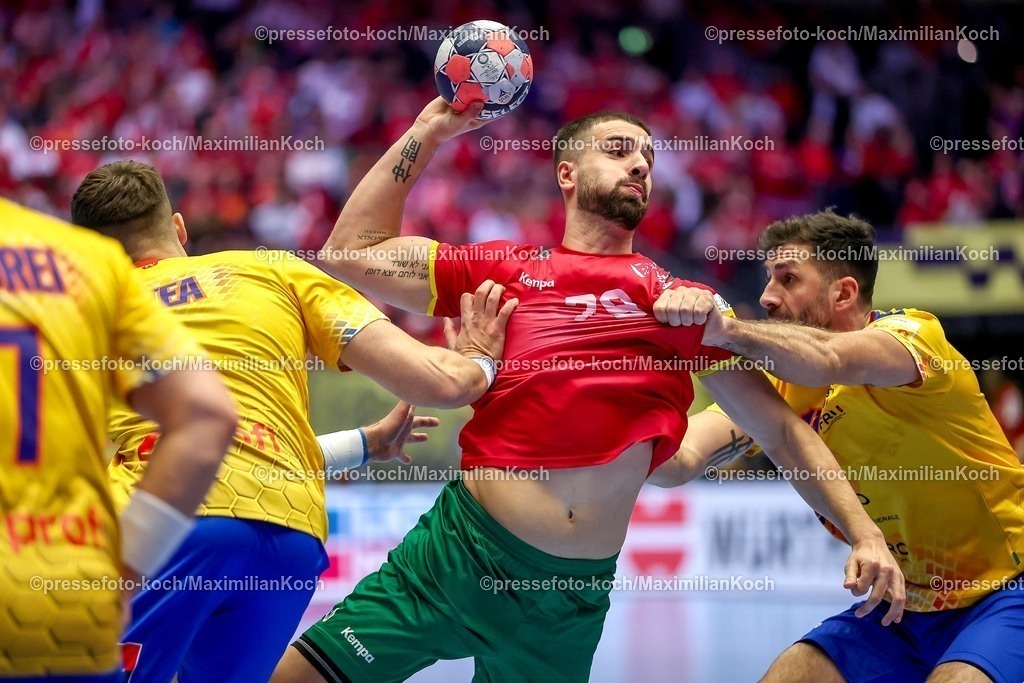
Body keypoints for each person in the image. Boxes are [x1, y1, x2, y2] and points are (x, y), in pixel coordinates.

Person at [270, 99, 904, 683]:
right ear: (567, 174)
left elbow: (783, 432)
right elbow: (350, 252)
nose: (640, 165)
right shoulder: (502, 271)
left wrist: (865, 534)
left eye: (647, 157)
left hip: (568, 603)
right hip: (454, 560)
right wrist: (428, 131)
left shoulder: (683, 306)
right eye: (619, 150)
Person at [69, 160, 515, 683]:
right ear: (179, 228)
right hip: (287, 538)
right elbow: (438, 382)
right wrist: (479, 359)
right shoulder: (274, 270)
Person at [651, 209, 1024, 683]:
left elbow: (825, 356)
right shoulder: (780, 388)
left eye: (788, 279)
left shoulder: (913, 338)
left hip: (1005, 590)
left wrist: (726, 330)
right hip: (902, 607)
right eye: (767, 278)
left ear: (843, 293)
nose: (766, 296)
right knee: (790, 675)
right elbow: (680, 459)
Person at [0, 197, 237, 681]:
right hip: (67, 593)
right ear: (176, 227)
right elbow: (207, 416)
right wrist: (127, 571)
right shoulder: (89, 260)